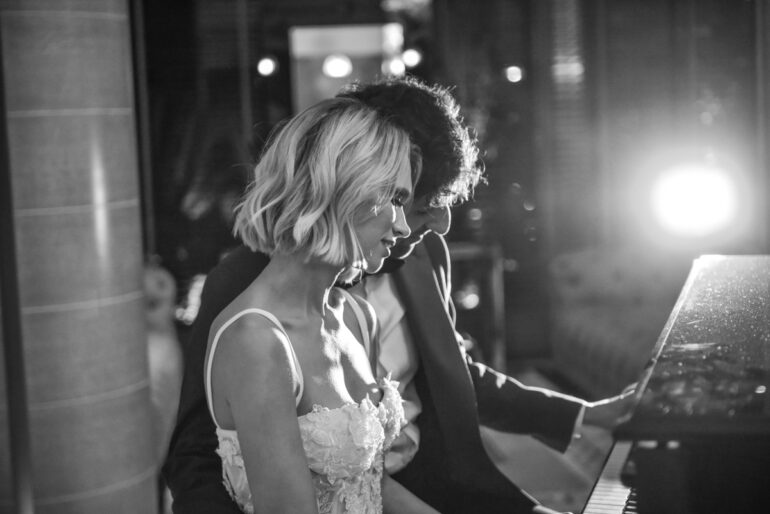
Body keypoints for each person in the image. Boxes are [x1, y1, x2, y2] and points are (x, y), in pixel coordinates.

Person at [163, 76, 632, 514]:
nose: (429, 226)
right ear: (346, 190)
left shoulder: (360, 306)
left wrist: (586, 416)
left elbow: (453, 374)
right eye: (410, 202)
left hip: (438, 482)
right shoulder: (247, 307)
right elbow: (198, 456)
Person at [199, 95, 440, 513]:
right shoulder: (256, 340)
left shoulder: (357, 317)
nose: (403, 226)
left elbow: (370, 487)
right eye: (396, 200)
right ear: (343, 189)